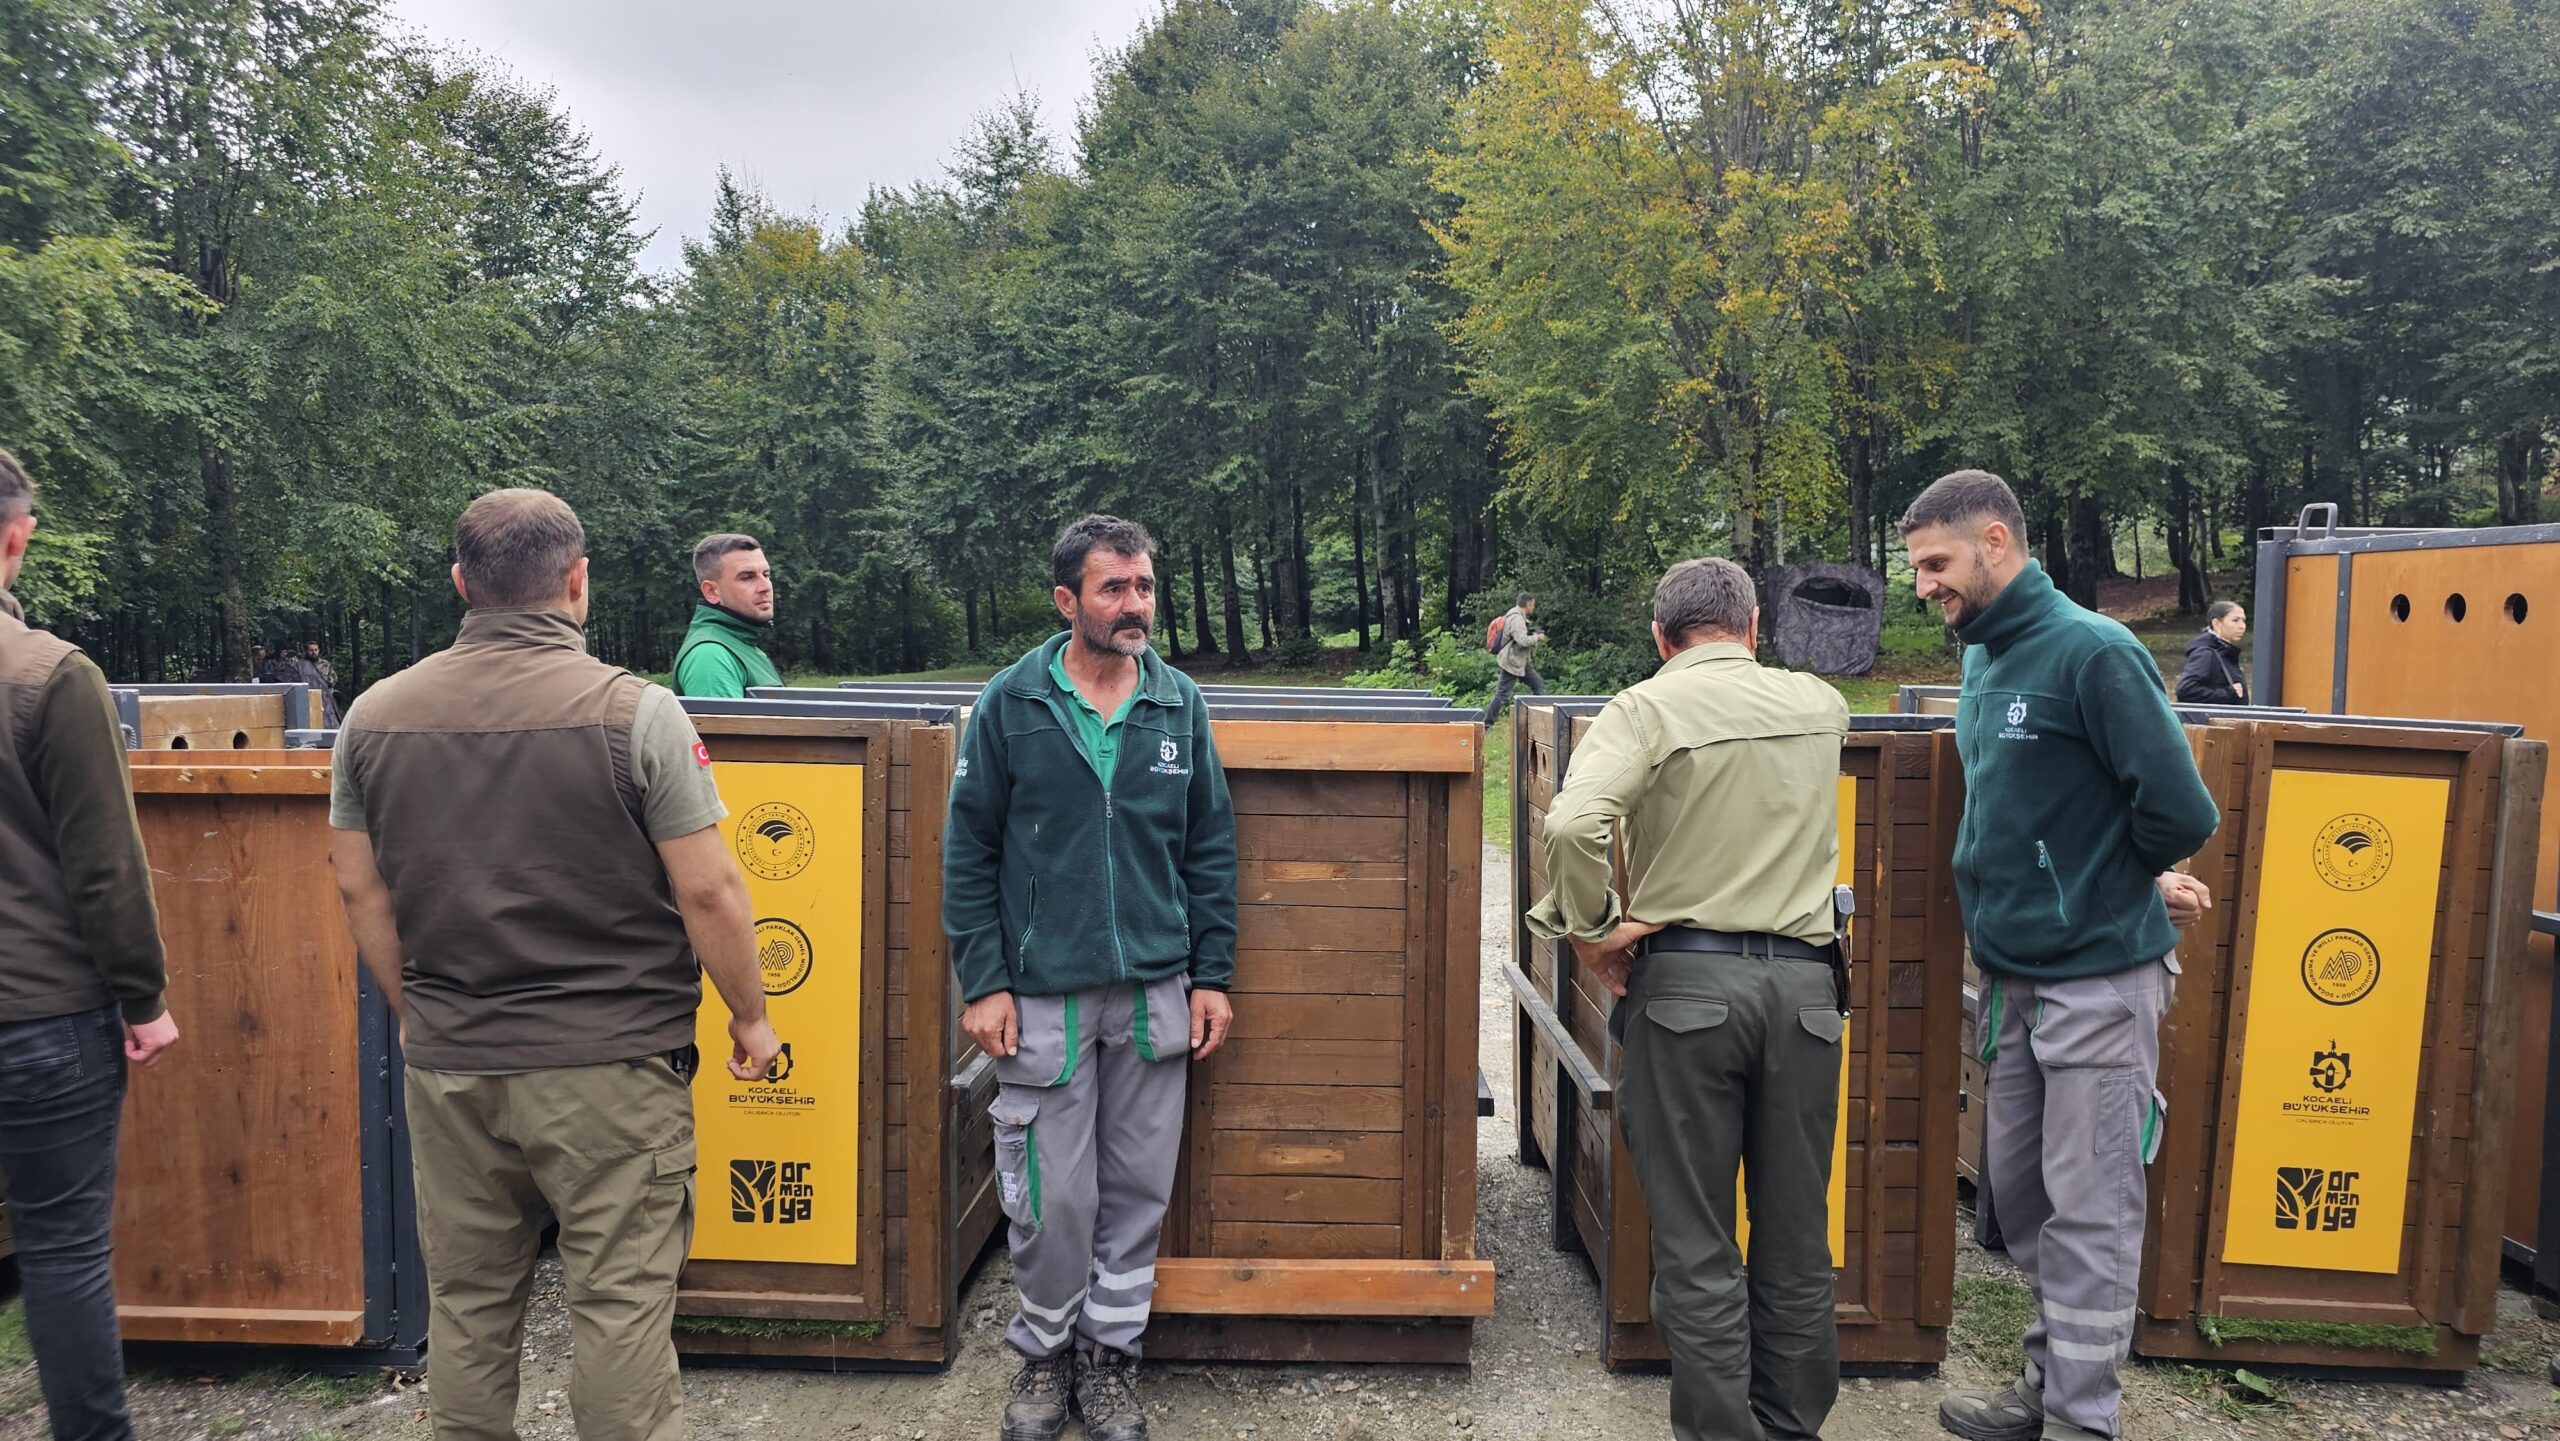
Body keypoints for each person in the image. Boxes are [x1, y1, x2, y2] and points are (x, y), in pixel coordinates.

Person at [327, 488, 782, 1441]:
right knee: (618, 1301)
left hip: (453, 1062)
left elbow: (360, 890)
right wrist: (750, 1013)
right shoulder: (636, 713)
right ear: (577, 582)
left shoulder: (371, 717)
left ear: (461, 584)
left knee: (468, 1298)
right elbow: (711, 891)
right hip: (611, 1065)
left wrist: (414, 1011)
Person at [1903, 471, 2220, 1441]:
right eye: (1917, 568)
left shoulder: (2093, 651)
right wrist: (2110, 866)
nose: (1922, 586)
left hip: (2096, 981)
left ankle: (2083, 1423)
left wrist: (2118, 880)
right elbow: (2054, 809)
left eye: (1935, 564)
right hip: (2014, 983)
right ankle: (2048, 1386)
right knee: (2027, 1197)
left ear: (1995, 541)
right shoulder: (1988, 660)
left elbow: (2180, 810)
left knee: (2090, 1208)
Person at [1525, 556, 1850, 1441]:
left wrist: (1592, 929)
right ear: (1753, 628)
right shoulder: (1822, 706)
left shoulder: (1646, 705)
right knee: (1795, 1235)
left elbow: (1570, 821)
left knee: (1699, 1242)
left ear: (1662, 639)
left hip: (1688, 993)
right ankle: (1791, 1428)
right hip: (1808, 996)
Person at [943, 514, 1238, 1441]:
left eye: (1144, 585)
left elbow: (1210, 849)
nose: (1135, 604)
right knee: (1049, 1192)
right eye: (1114, 588)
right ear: (1067, 599)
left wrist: (1212, 973)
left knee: (1139, 1185)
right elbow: (969, 851)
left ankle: (1111, 1359)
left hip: (1155, 985)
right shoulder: (1011, 703)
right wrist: (983, 978)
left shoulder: (1177, 702)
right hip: (1040, 994)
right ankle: (1043, 1356)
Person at [0, 447, 181, 1441]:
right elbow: (104, 864)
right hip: (40, 1014)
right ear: (17, 539)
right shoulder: (50, 676)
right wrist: (142, 999)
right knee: (62, 1246)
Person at [672, 532, 781, 698]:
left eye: (766, 575)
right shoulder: (710, 655)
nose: (765, 586)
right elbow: (721, 725)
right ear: (712, 592)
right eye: (747, 577)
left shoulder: (742, 644)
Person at [1480, 592, 1548, 724]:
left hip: (1518, 661)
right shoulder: (1517, 619)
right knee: (1502, 695)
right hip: (1512, 662)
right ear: (1528, 605)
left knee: (1537, 684)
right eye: (1533, 605)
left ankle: (1537, 718)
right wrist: (1537, 638)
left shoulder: (1514, 615)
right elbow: (1522, 641)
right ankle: (1487, 723)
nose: (1533, 607)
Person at [2173, 601, 2247, 705]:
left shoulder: (2224, 651)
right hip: (2213, 720)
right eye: (2235, 620)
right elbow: (2186, 690)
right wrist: (2227, 693)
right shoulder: (2206, 653)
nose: (2242, 626)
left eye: (2243, 621)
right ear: (2216, 623)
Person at [301, 640, 343, 726]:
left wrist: (327, 682)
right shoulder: (301, 665)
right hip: (309, 697)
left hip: (326, 697)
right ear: (306, 651)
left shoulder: (325, 664)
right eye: (311, 650)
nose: (314, 652)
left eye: (316, 650)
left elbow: (334, 678)